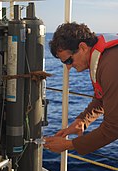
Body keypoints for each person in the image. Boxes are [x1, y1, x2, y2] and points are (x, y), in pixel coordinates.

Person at [44, 22, 118, 155]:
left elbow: (114, 127)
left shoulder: (110, 66)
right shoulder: (103, 57)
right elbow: (102, 97)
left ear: (83, 47)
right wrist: (83, 120)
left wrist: (69, 145)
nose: (68, 67)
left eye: (68, 61)